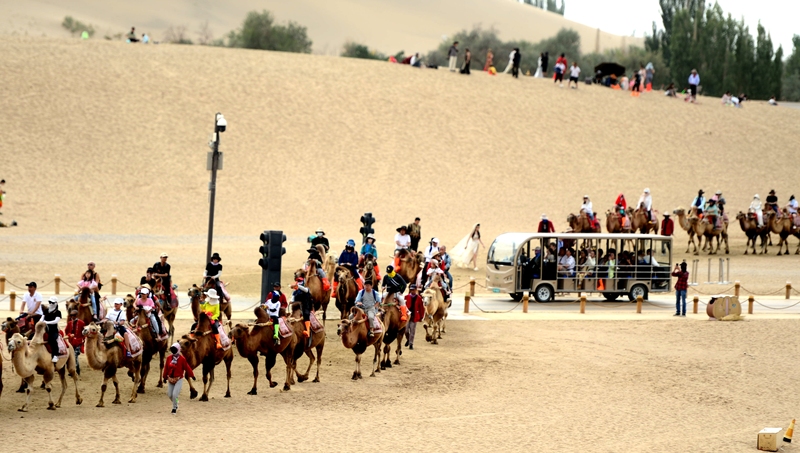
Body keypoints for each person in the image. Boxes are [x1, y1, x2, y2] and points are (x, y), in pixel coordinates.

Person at [162, 342, 195, 414]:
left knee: (175, 394)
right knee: (170, 395)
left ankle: (174, 408)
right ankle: (176, 402)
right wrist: (164, 377)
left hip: (178, 379)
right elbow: (166, 368)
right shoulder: (169, 358)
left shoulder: (182, 359)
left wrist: (192, 375)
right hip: (170, 379)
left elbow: (187, 367)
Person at [42, 296, 62, 362]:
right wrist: (39, 323)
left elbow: (56, 321)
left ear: (55, 303)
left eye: (52, 302)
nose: (50, 304)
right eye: (49, 302)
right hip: (44, 329)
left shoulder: (58, 312)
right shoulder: (46, 311)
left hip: (53, 331)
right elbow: (42, 318)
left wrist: (47, 322)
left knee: (52, 339)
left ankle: (55, 355)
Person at [404, 284, 424, 349]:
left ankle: (411, 344)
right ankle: (408, 339)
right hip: (407, 316)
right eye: (411, 290)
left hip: (414, 316)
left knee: (412, 331)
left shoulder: (419, 298)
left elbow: (421, 308)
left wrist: (421, 316)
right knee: (406, 330)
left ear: (416, 290)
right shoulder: (406, 297)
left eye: (413, 290)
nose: (412, 291)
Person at [65, 310, 85, 375]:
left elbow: (84, 333)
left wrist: (82, 340)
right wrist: (69, 335)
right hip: (71, 342)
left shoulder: (81, 323)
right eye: (71, 315)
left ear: (77, 315)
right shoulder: (69, 323)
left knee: (75, 355)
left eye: (74, 315)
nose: (72, 317)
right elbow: (66, 331)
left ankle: (75, 370)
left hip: (78, 342)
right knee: (72, 356)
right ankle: (76, 370)